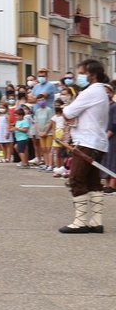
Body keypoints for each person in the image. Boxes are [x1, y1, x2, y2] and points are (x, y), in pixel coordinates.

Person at [59, 59, 110, 233]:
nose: (79, 76)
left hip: (87, 142)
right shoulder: (101, 91)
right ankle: (96, 221)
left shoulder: (91, 92)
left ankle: (80, 221)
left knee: (76, 179)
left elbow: (68, 112)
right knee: (93, 181)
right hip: (96, 142)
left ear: (92, 75)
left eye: (82, 73)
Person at [102, 83, 116, 193]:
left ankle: (112, 185)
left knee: (113, 160)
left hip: (112, 137)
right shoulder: (103, 107)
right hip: (103, 136)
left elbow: (114, 124)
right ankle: (106, 184)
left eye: (107, 92)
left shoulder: (114, 106)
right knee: (105, 160)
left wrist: (107, 136)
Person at [34, 94, 54, 170]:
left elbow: (50, 121)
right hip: (41, 133)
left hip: (48, 133)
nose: (41, 101)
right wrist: (39, 131)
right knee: (44, 149)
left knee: (49, 149)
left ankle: (50, 165)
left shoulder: (49, 110)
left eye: (42, 100)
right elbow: (37, 122)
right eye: (39, 100)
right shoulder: (37, 111)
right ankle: (46, 164)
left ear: (45, 100)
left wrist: (46, 131)